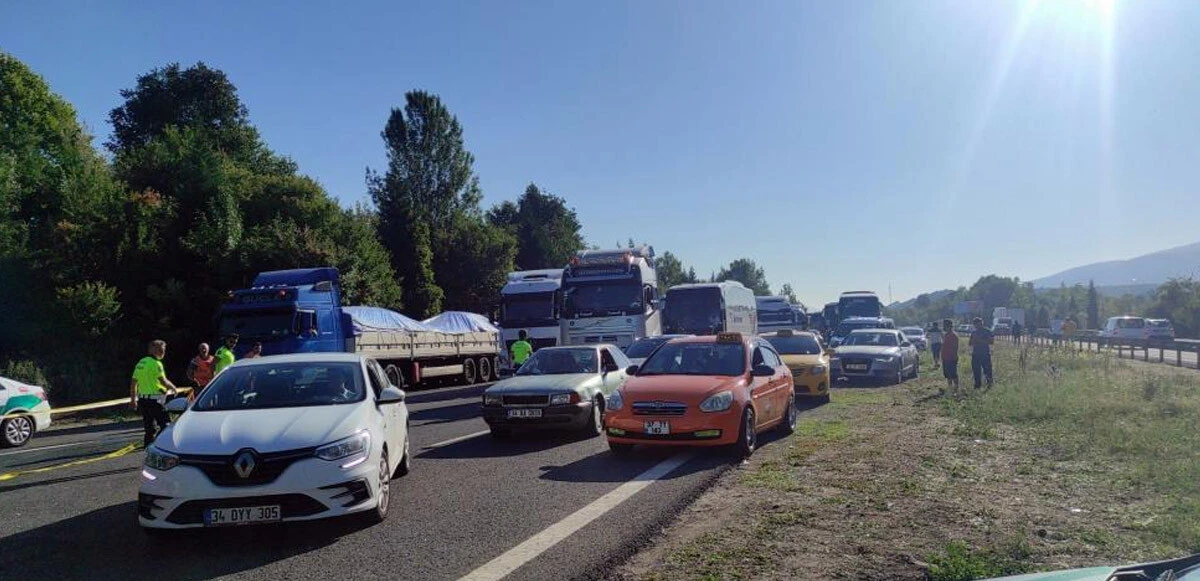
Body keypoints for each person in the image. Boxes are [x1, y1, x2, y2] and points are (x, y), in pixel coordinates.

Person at [130, 340, 178, 446]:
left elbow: (134, 382)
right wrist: (173, 388)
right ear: (153, 350)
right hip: (155, 400)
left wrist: (133, 400)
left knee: (149, 427)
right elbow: (163, 381)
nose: (163, 352)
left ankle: (147, 446)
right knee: (165, 424)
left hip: (142, 400)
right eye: (161, 350)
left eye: (163, 350)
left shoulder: (141, 362)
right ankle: (160, 445)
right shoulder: (157, 364)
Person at [969, 317, 994, 389]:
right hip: (976, 353)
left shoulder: (987, 331)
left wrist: (979, 340)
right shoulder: (974, 332)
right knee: (976, 370)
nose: (976, 326)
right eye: (975, 324)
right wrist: (973, 341)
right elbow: (970, 343)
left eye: (978, 323)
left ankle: (989, 384)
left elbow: (991, 342)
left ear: (981, 323)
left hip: (985, 353)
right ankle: (977, 385)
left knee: (987, 370)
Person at [940, 319, 959, 394]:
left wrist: (952, 357)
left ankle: (956, 388)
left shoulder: (953, 335)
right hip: (945, 357)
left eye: (945, 325)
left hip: (951, 358)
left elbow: (954, 347)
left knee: (953, 374)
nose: (943, 327)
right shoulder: (946, 335)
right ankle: (950, 388)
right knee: (948, 374)